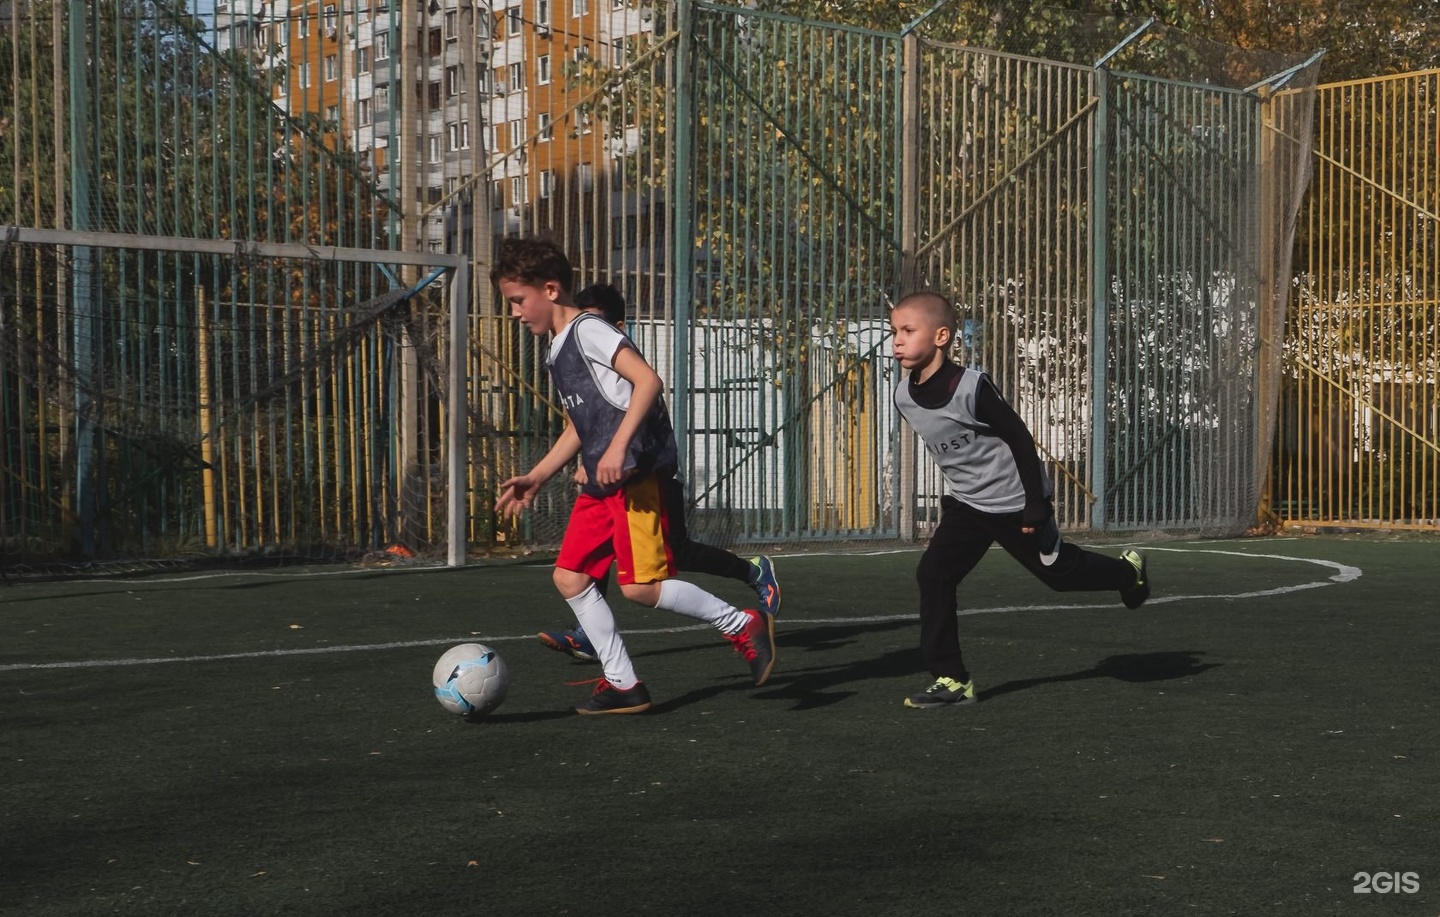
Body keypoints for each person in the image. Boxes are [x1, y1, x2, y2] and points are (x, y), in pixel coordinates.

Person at [493, 238, 777, 715]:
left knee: (640, 588)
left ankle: (740, 623)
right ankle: (623, 683)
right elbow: (579, 426)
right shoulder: (555, 350)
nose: (516, 313)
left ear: (550, 288)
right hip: (603, 485)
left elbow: (648, 381)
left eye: (519, 301)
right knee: (570, 577)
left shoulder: (589, 330)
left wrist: (620, 445)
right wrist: (538, 475)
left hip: (637, 477)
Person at [889, 290, 1151, 709]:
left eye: (907, 330)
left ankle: (1127, 574)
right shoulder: (903, 396)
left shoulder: (971, 386)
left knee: (1059, 576)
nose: (897, 340)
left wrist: (1036, 503)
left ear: (941, 336)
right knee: (934, 576)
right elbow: (957, 456)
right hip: (967, 505)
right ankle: (953, 680)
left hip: (1015, 501)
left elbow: (1019, 438)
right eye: (894, 332)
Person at [534, 282, 782, 663]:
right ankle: (593, 638)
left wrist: (614, 450)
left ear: (616, 325)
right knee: (588, 561)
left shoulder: (607, 349)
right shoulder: (568, 350)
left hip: (648, 472)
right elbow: (584, 426)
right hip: (615, 476)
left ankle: (749, 576)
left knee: (666, 561)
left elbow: (640, 399)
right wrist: (560, 468)